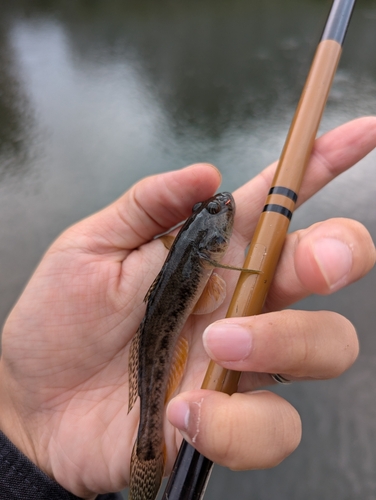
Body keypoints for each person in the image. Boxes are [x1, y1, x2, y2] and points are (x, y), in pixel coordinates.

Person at [0, 117, 375, 500]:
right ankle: (147, 446)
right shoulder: (201, 251)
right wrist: (26, 437)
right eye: (212, 211)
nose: (223, 206)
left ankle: (145, 447)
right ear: (209, 246)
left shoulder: (199, 250)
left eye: (215, 211)